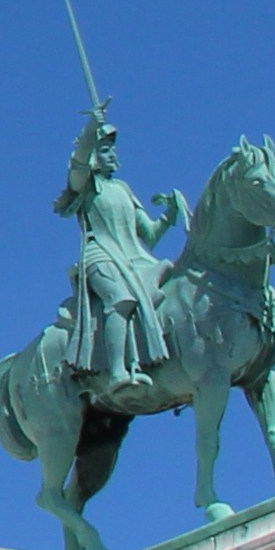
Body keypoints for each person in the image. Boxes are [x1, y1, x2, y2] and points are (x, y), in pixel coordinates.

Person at [53, 100, 185, 409]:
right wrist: (91, 128)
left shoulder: (123, 189)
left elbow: (149, 234)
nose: (114, 156)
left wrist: (169, 215)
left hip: (133, 258)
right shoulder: (86, 185)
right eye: (107, 151)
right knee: (120, 300)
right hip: (100, 256)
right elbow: (78, 163)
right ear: (96, 158)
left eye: (114, 150)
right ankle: (116, 372)